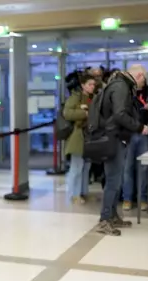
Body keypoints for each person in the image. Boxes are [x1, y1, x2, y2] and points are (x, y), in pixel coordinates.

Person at [95, 65, 148, 236]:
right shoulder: (121, 87)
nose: (142, 85)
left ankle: (112, 215)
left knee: (116, 179)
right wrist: (139, 127)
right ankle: (104, 220)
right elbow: (120, 114)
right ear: (139, 76)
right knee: (113, 180)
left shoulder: (118, 84)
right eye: (143, 80)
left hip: (114, 137)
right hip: (113, 138)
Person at [122, 74, 148, 211]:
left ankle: (143, 198)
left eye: (143, 80)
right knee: (127, 168)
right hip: (128, 134)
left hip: (144, 132)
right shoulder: (124, 93)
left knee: (143, 168)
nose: (141, 81)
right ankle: (127, 198)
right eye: (138, 79)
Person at [63, 74, 95, 204]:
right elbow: (67, 113)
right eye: (89, 84)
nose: (92, 87)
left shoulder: (92, 98)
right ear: (83, 85)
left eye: (93, 84)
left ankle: (83, 192)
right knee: (77, 166)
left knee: (86, 166)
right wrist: (85, 113)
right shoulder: (75, 97)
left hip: (90, 136)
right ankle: (74, 194)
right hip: (78, 136)